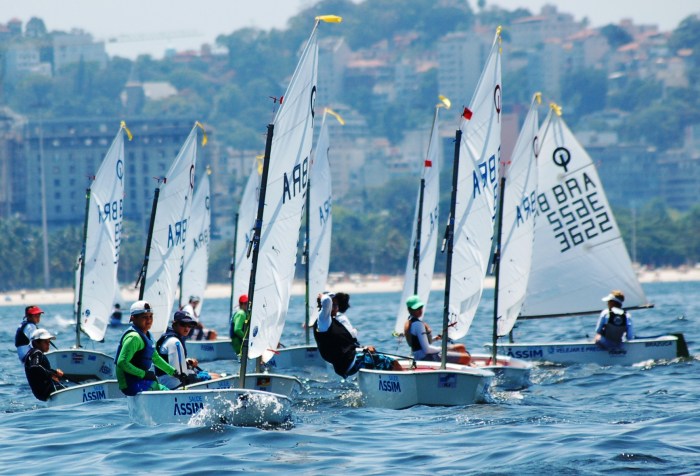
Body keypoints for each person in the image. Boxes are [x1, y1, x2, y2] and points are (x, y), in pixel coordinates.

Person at [313, 292, 399, 379]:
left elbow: (346, 346)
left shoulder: (332, 322)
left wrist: (363, 348)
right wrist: (322, 296)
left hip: (351, 361)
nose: (336, 307)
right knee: (393, 363)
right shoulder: (323, 321)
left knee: (385, 361)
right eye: (333, 305)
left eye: (336, 305)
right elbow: (326, 301)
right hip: (351, 363)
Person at [115, 300, 184, 396]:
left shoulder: (148, 336)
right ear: (133, 318)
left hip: (140, 381)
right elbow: (122, 362)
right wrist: (144, 374)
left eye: (150, 316)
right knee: (166, 392)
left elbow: (156, 358)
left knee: (164, 389)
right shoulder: (134, 338)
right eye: (144, 317)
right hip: (130, 384)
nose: (149, 320)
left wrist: (175, 373)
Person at [156, 310, 219, 389]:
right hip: (175, 384)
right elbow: (178, 372)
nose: (186, 328)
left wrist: (187, 361)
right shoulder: (174, 342)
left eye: (189, 325)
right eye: (183, 324)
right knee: (217, 378)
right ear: (174, 324)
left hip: (167, 381)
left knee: (213, 375)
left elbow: (172, 363)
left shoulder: (169, 338)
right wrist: (192, 372)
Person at [403, 295, 471, 365]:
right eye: (416, 308)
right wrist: (443, 348)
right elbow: (427, 350)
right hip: (427, 358)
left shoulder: (410, 322)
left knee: (461, 347)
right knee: (466, 358)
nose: (420, 310)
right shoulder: (418, 324)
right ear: (409, 310)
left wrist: (436, 338)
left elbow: (419, 344)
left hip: (421, 356)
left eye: (420, 307)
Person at [24, 329, 64, 401]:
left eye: (49, 342)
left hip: (43, 394)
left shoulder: (31, 353)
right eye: (45, 342)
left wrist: (54, 373)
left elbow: (40, 369)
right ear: (36, 342)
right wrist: (52, 374)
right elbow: (35, 367)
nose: (48, 345)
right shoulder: (37, 353)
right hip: (47, 392)